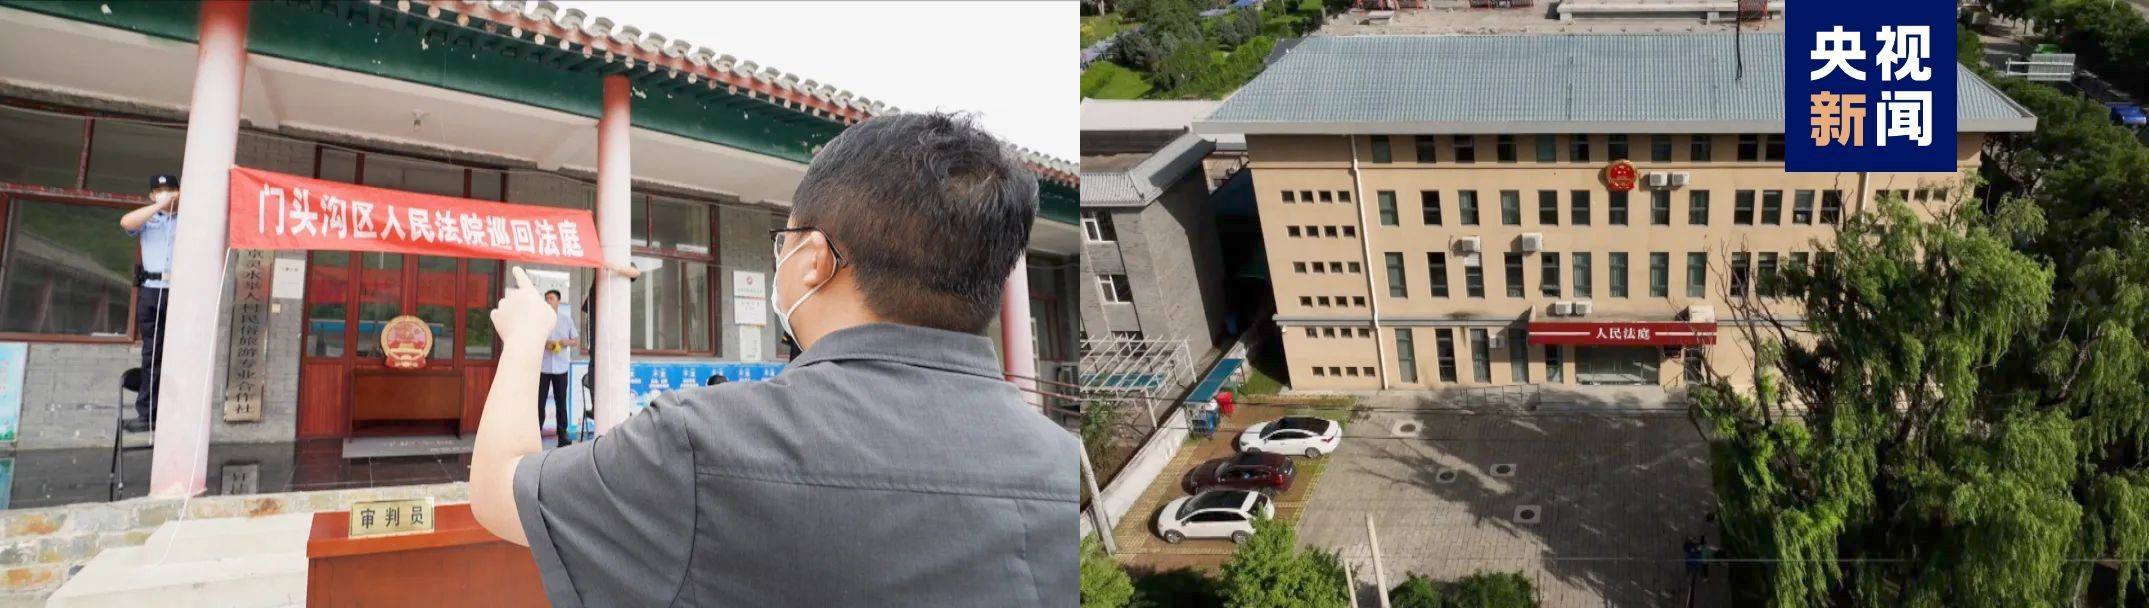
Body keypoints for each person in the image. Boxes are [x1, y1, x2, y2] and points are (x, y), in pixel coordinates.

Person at [468, 113, 1077, 606]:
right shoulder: (1059, 463)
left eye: (782, 243)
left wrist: (524, 337)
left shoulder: (699, 441)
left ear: (814, 260)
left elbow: (499, 491)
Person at [117, 174, 180, 433]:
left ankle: (177, 411)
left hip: (179, 292)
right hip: (152, 291)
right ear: (152, 195)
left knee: (180, 353)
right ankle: (148, 413)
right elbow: (126, 222)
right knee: (152, 353)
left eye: (170, 189)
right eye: (159, 190)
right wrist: (160, 205)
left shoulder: (189, 218)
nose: (165, 193)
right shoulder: (148, 218)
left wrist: (176, 203)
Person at [538, 289, 578, 448]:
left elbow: (575, 341)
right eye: (546, 298)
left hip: (561, 368)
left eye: (551, 298)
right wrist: (545, 343)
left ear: (558, 302)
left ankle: (562, 436)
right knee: (539, 402)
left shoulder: (566, 320)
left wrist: (565, 342)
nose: (548, 301)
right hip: (543, 368)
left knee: (561, 402)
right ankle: (536, 435)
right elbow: (534, 339)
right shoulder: (540, 320)